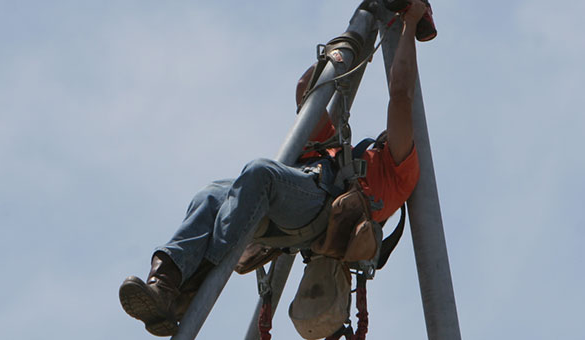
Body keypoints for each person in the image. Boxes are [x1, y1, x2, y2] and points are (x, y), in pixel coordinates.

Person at [118, 0, 431, 336]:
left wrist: (409, 27)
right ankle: (165, 284)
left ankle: (193, 282)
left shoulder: (394, 169)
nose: (387, 135)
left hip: (318, 215)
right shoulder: (336, 151)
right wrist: (346, 50)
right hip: (288, 204)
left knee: (260, 173)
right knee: (211, 195)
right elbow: (305, 94)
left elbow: (401, 95)